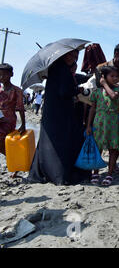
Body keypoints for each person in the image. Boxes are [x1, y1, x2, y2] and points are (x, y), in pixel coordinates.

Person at [29, 50, 91, 185]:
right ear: (63, 55)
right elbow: (65, 91)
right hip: (61, 113)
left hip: (52, 113)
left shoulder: (55, 69)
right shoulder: (62, 70)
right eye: (71, 55)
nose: (74, 58)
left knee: (49, 140)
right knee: (62, 142)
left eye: (76, 56)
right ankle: (59, 173)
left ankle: (43, 170)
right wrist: (77, 90)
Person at [87, 66, 119, 186]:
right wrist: (88, 125)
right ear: (103, 77)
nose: (115, 78)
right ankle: (95, 172)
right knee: (98, 148)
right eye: (112, 76)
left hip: (113, 121)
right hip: (99, 122)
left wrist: (104, 84)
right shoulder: (97, 92)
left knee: (113, 149)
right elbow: (92, 109)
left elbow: (113, 96)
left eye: (116, 76)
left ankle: (109, 173)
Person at [0, 64, 26, 178]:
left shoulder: (17, 90)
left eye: (4, 74)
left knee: (2, 140)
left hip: (8, 120)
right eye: (0, 74)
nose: (2, 77)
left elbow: (20, 108)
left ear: (11, 74)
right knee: (2, 145)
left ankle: (15, 164)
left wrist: (23, 125)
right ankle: (14, 162)